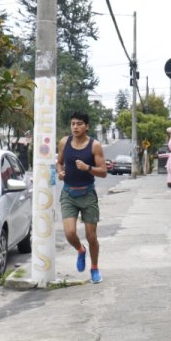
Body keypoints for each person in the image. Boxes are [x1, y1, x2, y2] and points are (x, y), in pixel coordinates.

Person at [57, 111, 107, 283]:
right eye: (73, 124)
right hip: (68, 193)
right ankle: (80, 250)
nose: (75, 127)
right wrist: (60, 172)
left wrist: (87, 168)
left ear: (87, 126)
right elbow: (59, 162)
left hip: (87, 194)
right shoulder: (64, 142)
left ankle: (94, 268)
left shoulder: (95, 146)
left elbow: (104, 172)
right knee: (70, 233)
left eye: (79, 124)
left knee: (91, 236)